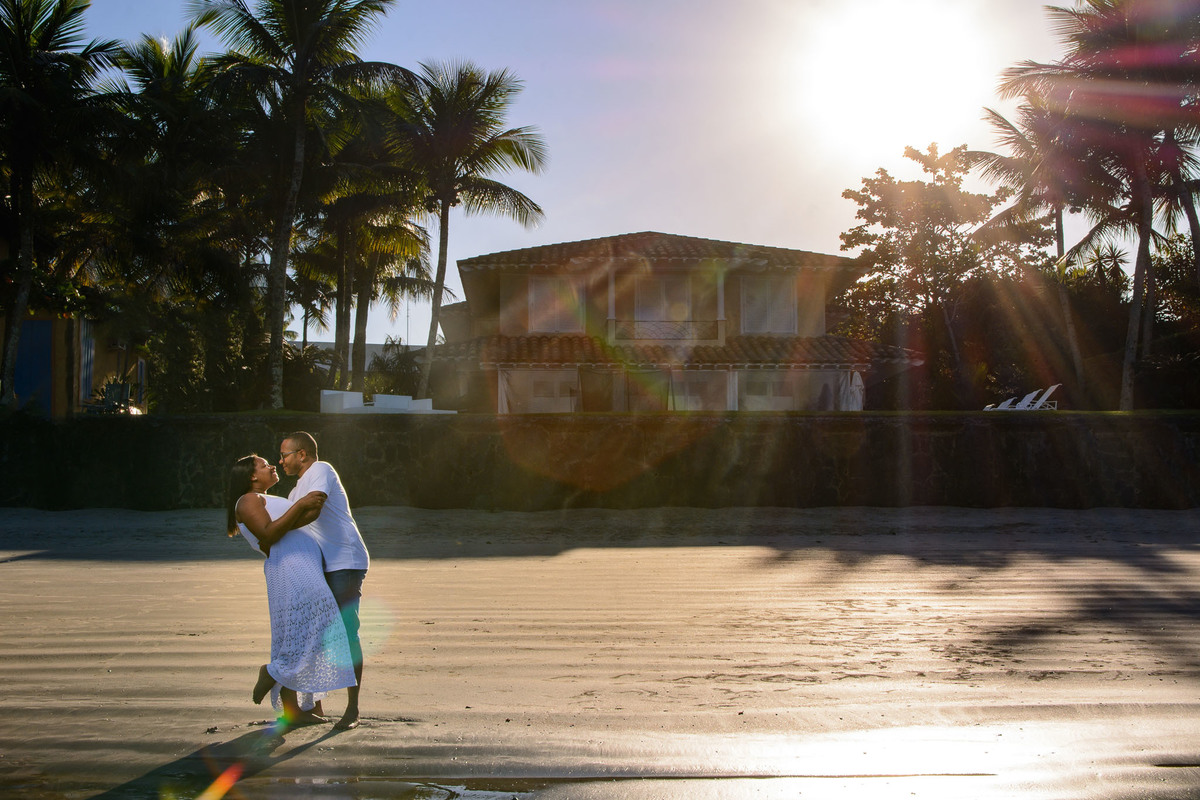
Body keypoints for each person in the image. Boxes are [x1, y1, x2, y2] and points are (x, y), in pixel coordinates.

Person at [226, 454, 357, 731]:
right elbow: (269, 534)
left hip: (303, 564)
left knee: (297, 632)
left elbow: (296, 520)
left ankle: (295, 709)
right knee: (314, 625)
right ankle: (272, 672)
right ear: (251, 476)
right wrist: (300, 504)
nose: (272, 465)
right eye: (263, 465)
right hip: (289, 567)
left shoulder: (271, 498)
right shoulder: (248, 500)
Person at [279, 431, 370, 730]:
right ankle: (311, 707)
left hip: (345, 561)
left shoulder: (321, 469)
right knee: (312, 635)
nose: (281, 461)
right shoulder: (294, 492)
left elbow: (314, 508)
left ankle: (352, 710)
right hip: (322, 566)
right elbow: (297, 516)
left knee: (346, 634)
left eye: (285, 455)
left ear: (302, 454)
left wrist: (282, 526)